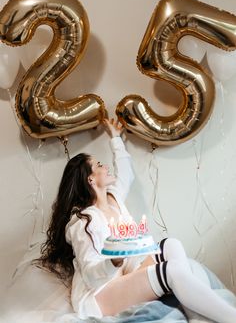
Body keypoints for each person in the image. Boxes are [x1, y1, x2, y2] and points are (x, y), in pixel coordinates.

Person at [38, 118, 236, 322]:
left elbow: (125, 171)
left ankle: (196, 315)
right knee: (172, 270)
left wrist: (115, 138)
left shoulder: (114, 198)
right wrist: (113, 261)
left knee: (171, 244)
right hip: (100, 295)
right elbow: (90, 273)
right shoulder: (84, 222)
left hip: (124, 278)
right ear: (90, 179)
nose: (105, 167)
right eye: (99, 165)